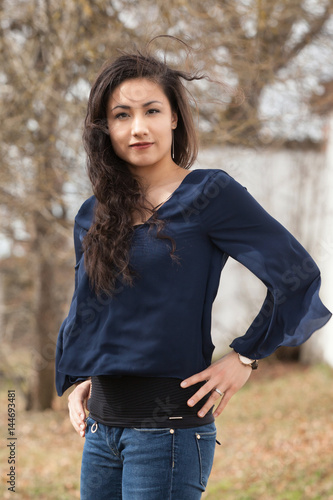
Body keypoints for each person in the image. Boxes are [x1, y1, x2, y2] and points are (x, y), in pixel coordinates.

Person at [55, 39, 331, 500]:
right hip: (101, 434)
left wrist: (246, 356)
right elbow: (96, 308)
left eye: (152, 111)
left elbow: (296, 276)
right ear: (105, 127)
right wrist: (86, 376)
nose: (138, 127)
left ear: (175, 118)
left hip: (167, 436)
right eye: (122, 115)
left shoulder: (210, 194)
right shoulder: (93, 213)